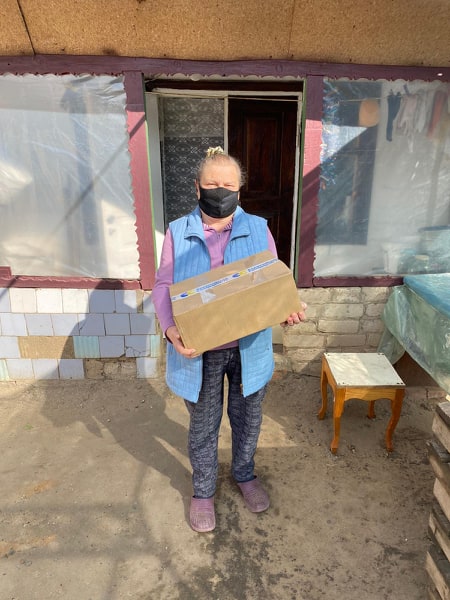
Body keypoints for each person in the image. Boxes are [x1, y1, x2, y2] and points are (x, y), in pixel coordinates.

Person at [152, 147, 306, 533]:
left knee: (248, 419)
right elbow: (163, 285)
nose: (220, 191)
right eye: (212, 184)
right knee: (204, 426)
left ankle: (244, 474)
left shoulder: (257, 228)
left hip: (248, 348)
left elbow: (272, 280)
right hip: (199, 351)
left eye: (228, 185)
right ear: (197, 188)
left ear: (239, 190)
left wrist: (285, 308)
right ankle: (203, 492)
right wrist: (170, 330)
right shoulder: (178, 231)